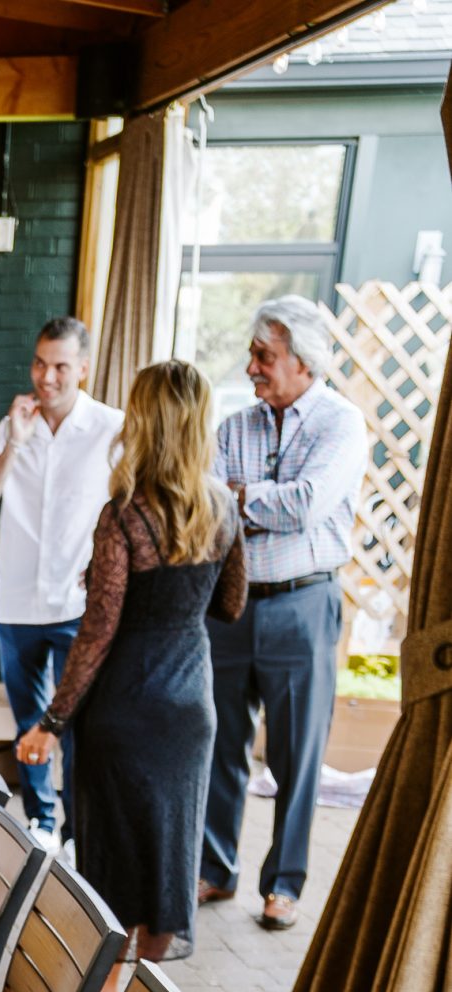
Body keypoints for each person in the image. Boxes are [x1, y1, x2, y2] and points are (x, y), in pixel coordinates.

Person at [17, 361, 247, 992]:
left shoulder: (124, 516)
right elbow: (230, 605)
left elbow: (95, 634)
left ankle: (106, 990)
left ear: (142, 424)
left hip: (123, 707)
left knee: (112, 851)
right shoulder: (225, 506)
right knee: (169, 849)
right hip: (187, 707)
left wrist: (51, 722)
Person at [199, 295, 368, 930]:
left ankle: (285, 885)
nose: (252, 368)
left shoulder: (341, 424)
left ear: (302, 359)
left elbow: (305, 504)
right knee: (221, 744)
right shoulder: (233, 427)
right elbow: (211, 505)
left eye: (263, 356)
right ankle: (216, 872)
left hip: (304, 602)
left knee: (297, 753)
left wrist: (243, 497)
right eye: (253, 355)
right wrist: (246, 501)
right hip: (232, 604)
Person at [0, 318, 122, 853]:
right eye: (39, 363)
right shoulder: (11, 426)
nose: (46, 377)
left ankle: (79, 831)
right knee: (28, 721)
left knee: (78, 724)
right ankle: (41, 824)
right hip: (17, 600)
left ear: (83, 368)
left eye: (59, 366)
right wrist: (14, 443)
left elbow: (132, 511)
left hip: (80, 605)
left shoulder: (113, 429)